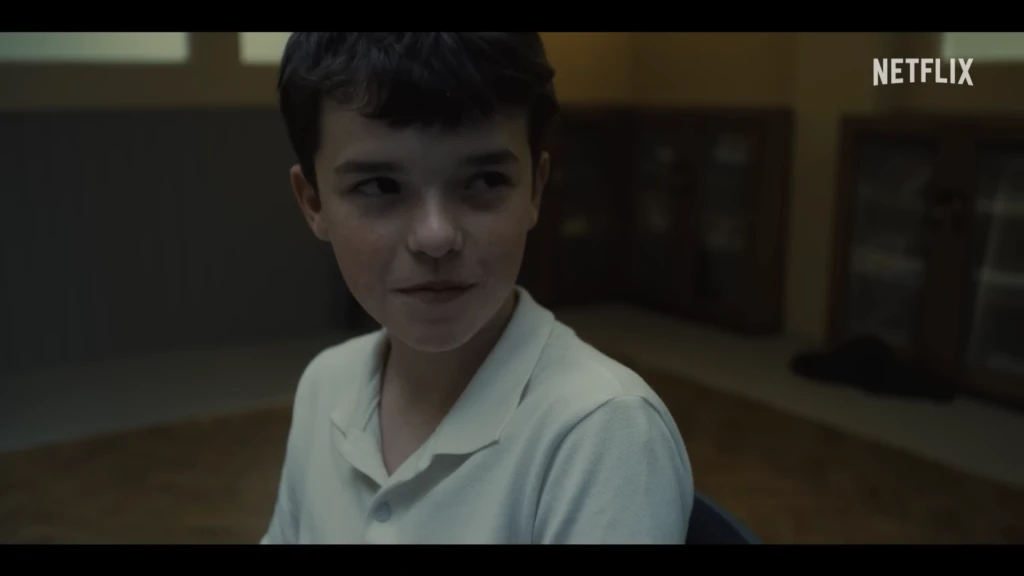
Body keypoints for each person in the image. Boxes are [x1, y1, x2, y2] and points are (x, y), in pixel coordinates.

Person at [261, 32, 694, 544]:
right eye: (379, 186)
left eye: (486, 180)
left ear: (535, 188)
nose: (436, 237)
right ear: (313, 202)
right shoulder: (326, 384)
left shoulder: (602, 435)